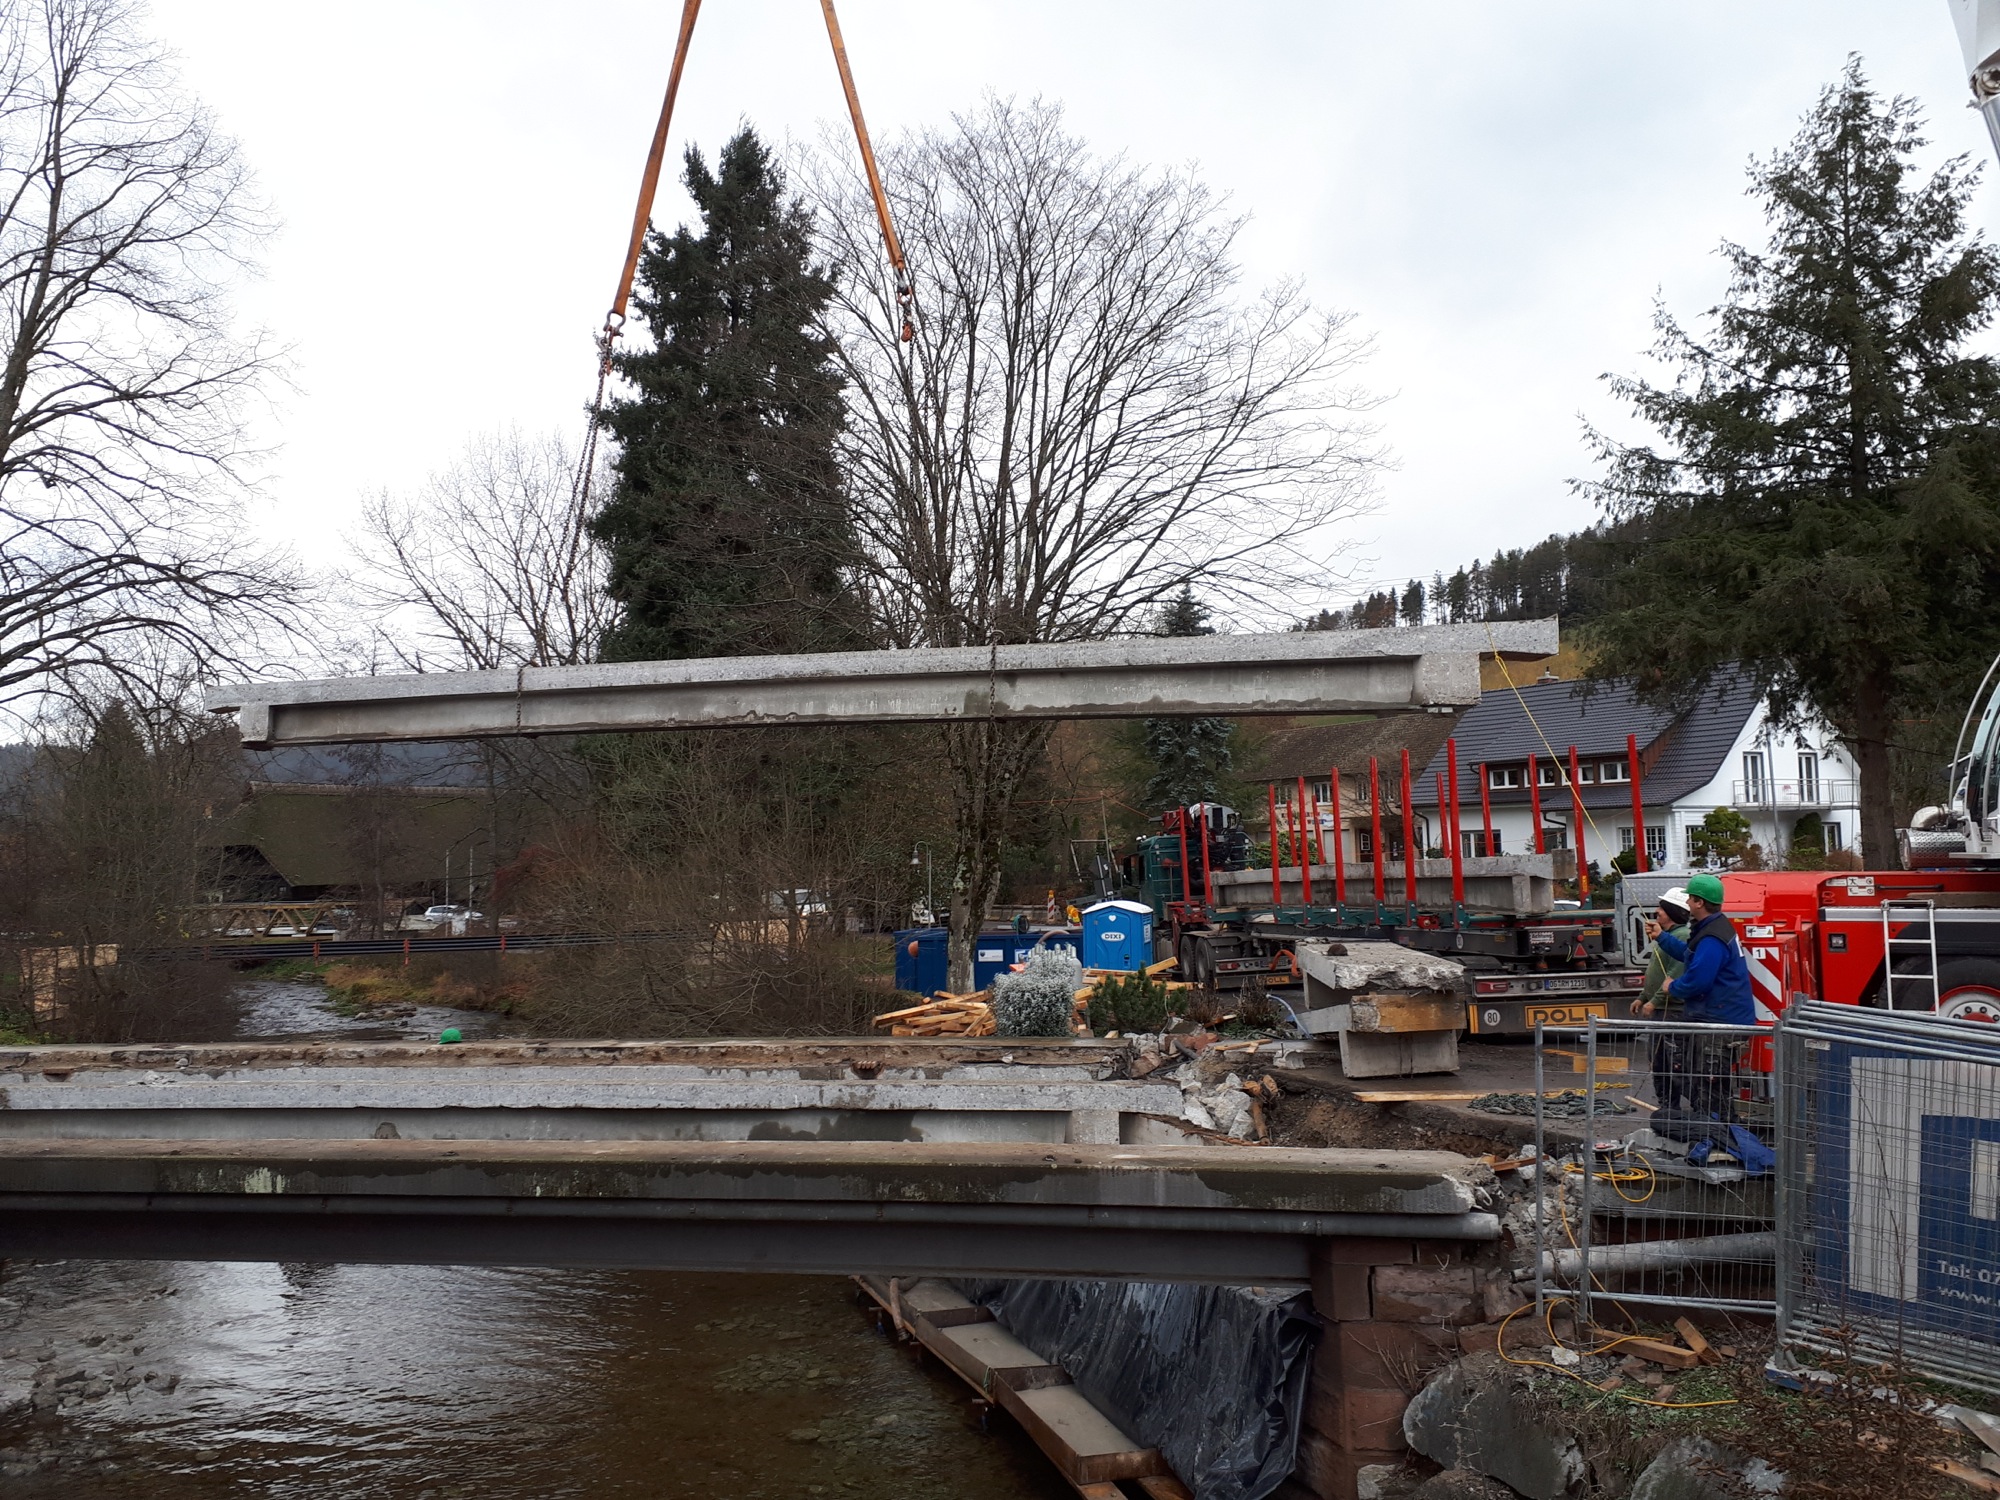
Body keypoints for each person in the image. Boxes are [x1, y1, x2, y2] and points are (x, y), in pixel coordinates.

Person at [1644, 871, 1756, 1118]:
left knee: (1710, 1086)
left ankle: (1721, 1137)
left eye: (1690, 898)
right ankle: (1719, 1134)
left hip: (1719, 1020)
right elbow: (1689, 955)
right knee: (1707, 1084)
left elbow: (1699, 980)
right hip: (1719, 1017)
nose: (1687, 903)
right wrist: (1662, 937)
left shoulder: (1712, 936)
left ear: (1699, 902)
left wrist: (1672, 987)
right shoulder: (1711, 928)